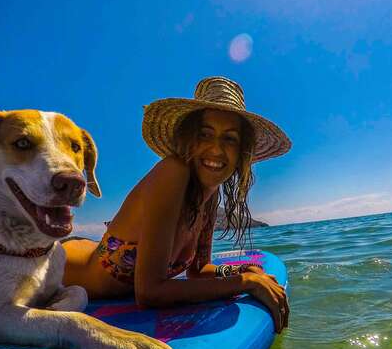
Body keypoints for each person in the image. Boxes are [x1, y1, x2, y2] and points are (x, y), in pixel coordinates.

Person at [63, 77, 291, 332]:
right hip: (60, 266)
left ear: (242, 153)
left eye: (230, 139)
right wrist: (246, 282)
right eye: (205, 135)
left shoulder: (210, 194)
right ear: (189, 140)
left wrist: (235, 271)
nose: (216, 149)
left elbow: (198, 270)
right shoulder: (173, 171)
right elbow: (149, 293)